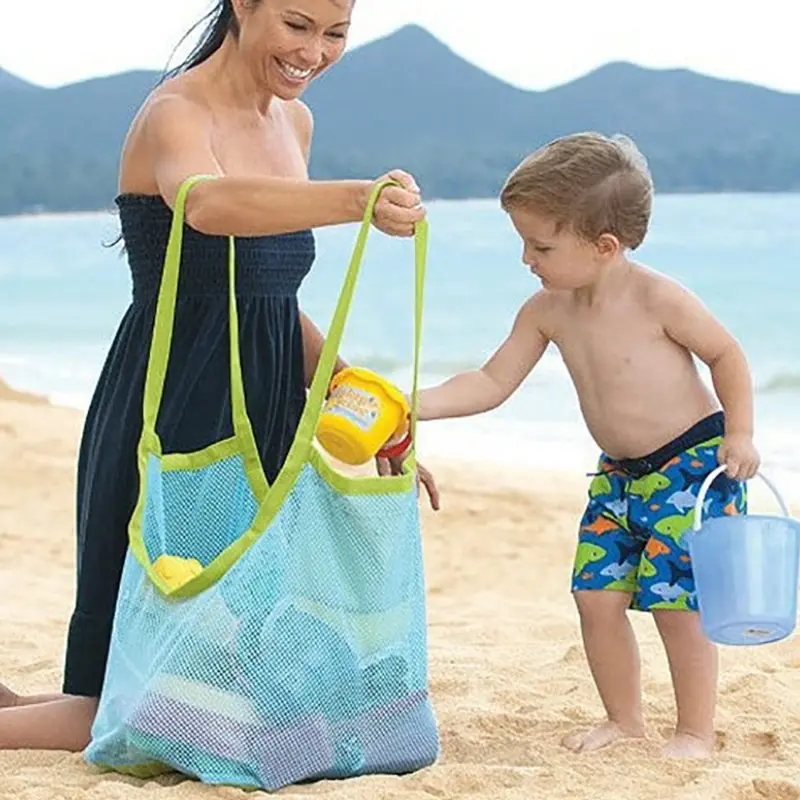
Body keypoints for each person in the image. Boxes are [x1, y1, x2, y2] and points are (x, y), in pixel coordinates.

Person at [0, 0, 440, 752]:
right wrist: (353, 200)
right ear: (244, 5)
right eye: (297, 25)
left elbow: (272, 298)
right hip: (175, 402)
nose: (316, 52)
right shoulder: (176, 112)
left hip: (265, 406)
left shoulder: (293, 125)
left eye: (336, 34)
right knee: (127, 701)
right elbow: (204, 203)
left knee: (203, 671)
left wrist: (362, 402)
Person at [414, 132, 760, 760]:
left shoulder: (658, 298)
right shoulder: (549, 309)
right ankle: (624, 719)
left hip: (691, 467)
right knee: (595, 597)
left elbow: (726, 354)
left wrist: (741, 432)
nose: (527, 258)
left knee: (677, 607)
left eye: (541, 245)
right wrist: (414, 402)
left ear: (605, 247)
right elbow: (491, 381)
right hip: (618, 477)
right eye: (524, 241)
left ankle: (695, 732)